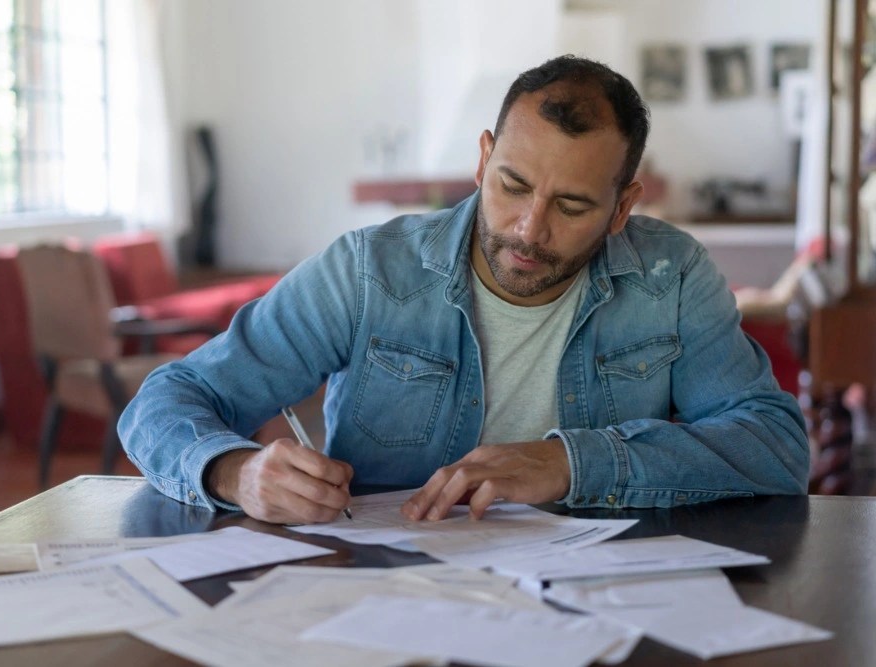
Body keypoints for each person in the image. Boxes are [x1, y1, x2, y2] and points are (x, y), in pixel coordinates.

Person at [119, 55, 809, 525]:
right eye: (511, 185)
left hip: (603, 604)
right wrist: (234, 472)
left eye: (571, 206)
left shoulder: (672, 275)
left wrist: (572, 462)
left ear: (622, 207)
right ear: (483, 159)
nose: (528, 230)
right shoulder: (370, 270)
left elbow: (776, 444)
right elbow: (164, 401)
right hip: (392, 598)